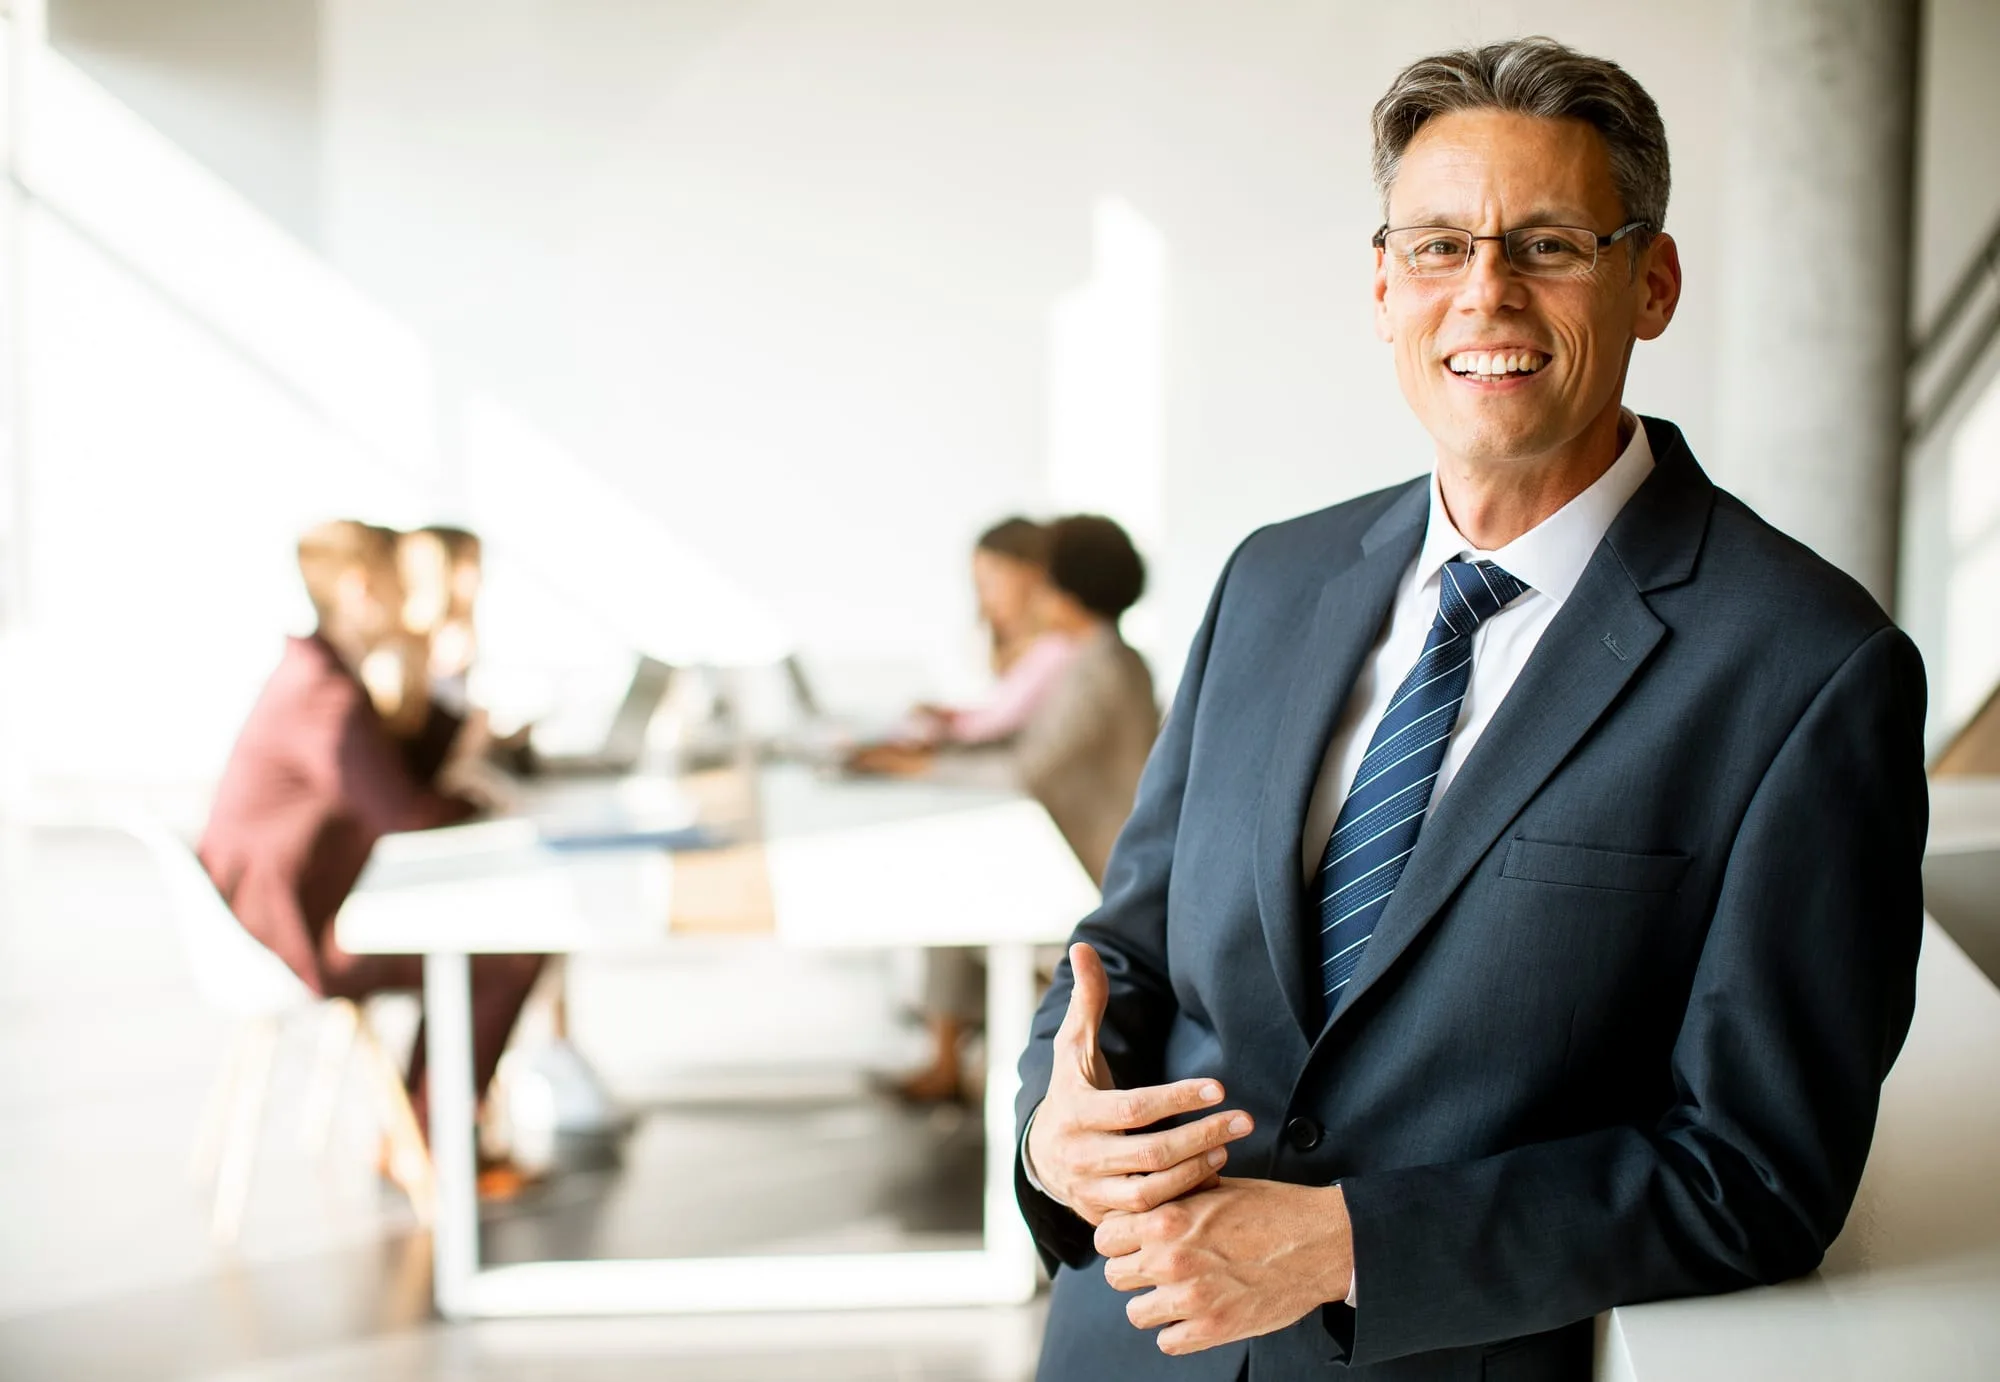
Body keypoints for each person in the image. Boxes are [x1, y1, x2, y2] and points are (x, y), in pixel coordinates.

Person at [1014, 38, 1927, 1382]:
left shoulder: (1809, 667)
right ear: (1384, 287)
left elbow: (1756, 1170)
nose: (1486, 291)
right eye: (1438, 247)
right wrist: (1053, 1120)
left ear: (1651, 281)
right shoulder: (1273, 578)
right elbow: (1126, 950)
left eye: (1550, 244)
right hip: (1132, 1344)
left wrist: (1342, 1244)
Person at [198, 519, 545, 1197]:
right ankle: (427, 1143)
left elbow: (396, 783)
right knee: (506, 953)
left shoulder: (322, 677)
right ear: (362, 589)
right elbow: (407, 818)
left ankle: (422, 1134)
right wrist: (478, 807)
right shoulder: (323, 694)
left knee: (493, 944)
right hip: (290, 938)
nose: (413, 603)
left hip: (292, 915)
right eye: (399, 583)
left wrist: (448, 690)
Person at [871, 515, 1160, 1102]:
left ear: (1063, 591)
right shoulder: (1095, 658)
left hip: (1095, 864)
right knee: (949, 876)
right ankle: (949, 1059)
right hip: (1076, 842)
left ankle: (956, 1062)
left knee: (949, 888)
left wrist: (922, 765)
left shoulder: (1099, 667)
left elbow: (1027, 768)